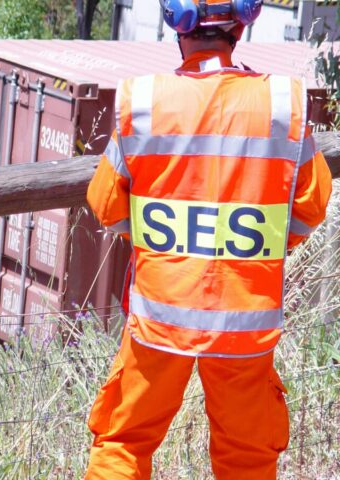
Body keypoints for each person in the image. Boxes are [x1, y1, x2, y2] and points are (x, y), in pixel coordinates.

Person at [84, 0, 333, 478]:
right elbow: (310, 208)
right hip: (245, 324)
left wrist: (158, 244)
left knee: (123, 445)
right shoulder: (284, 103)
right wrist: (253, 251)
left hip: (159, 322)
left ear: (178, 24)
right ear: (242, 23)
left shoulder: (143, 101)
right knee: (247, 456)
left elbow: (107, 206)